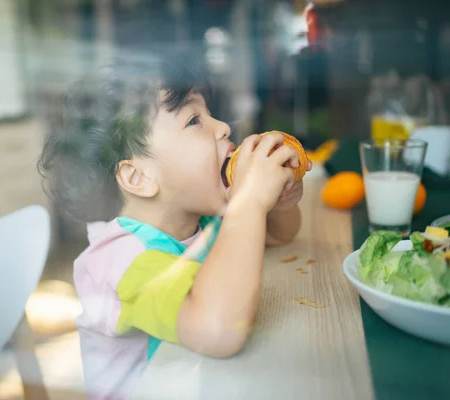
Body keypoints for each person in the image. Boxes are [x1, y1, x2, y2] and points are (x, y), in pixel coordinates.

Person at [39, 54, 310, 399]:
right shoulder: (120, 263)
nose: (224, 127)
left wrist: (279, 201)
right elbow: (217, 330)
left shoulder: (205, 221)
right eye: (195, 120)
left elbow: (281, 234)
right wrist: (250, 202)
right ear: (138, 177)